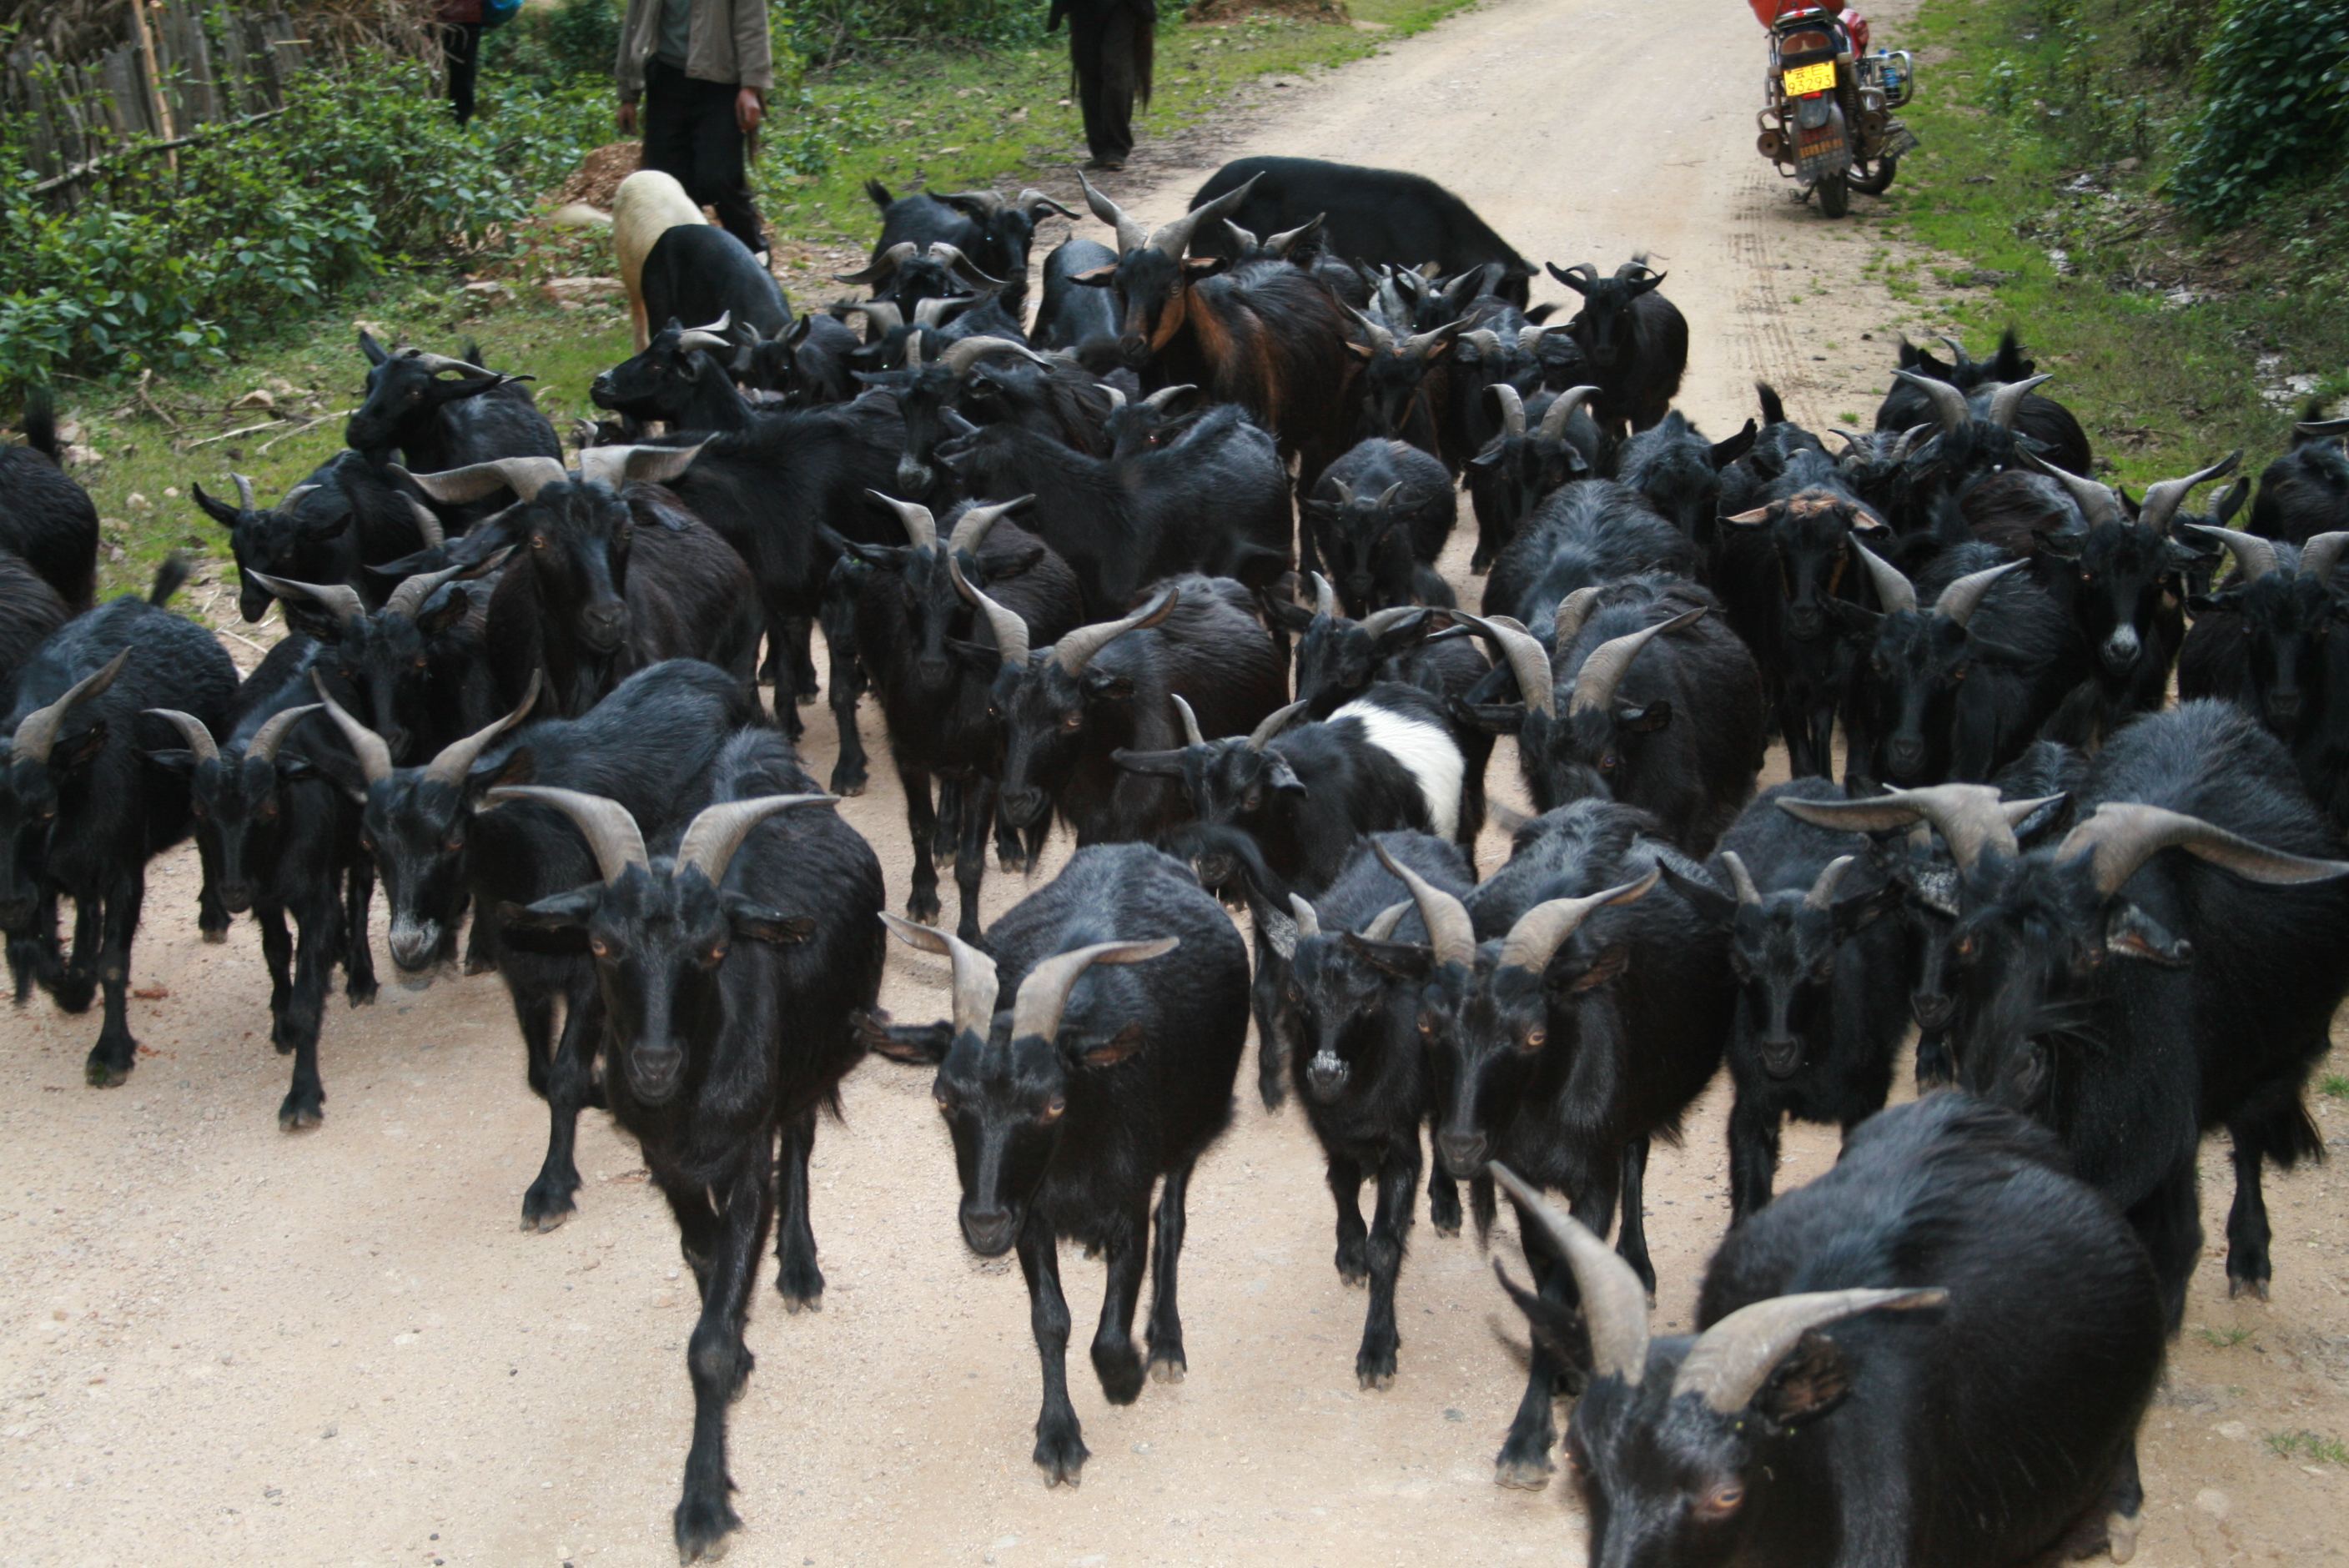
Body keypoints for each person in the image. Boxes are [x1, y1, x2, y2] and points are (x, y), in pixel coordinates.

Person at [616, 0, 772, 263]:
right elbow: (635, 21)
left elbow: (751, 22)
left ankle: (756, 263)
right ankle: (685, 272)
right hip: (666, 80)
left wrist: (751, 86)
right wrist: (627, 93)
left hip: (719, 81)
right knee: (668, 183)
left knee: (719, 178)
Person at [1049, 0, 1156, 171]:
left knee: (1116, 70)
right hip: (1083, 7)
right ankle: (1100, 150)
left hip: (1121, 6)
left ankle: (1117, 148)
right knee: (1088, 71)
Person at [440, 0, 484, 126]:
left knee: (462, 77)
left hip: (461, 18)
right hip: (466, 17)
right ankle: (458, 124)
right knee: (463, 76)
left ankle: (458, 124)